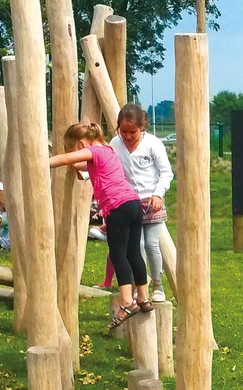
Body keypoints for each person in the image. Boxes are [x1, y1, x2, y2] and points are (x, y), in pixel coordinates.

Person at [50, 121, 150, 328]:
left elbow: (66, 159)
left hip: (117, 207)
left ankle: (127, 302)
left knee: (118, 254)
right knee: (133, 253)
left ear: (80, 144)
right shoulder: (107, 151)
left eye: (75, 148)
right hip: (133, 203)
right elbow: (77, 164)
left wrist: (38, 161)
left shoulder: (93, 150)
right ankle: (143, 297)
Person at [110, 104, 173, 303]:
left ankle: (157, 285)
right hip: (128, 204)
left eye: (133, 132)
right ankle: (140, 286)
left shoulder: (153, 144)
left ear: (142, 127)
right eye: (124, 131)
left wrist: (158, 194)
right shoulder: (114, 144)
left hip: (151, 201)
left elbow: (166, 172)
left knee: (151, 244)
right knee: (134, 247)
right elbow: (106, 168)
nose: (128, 136)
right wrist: (85, 174)